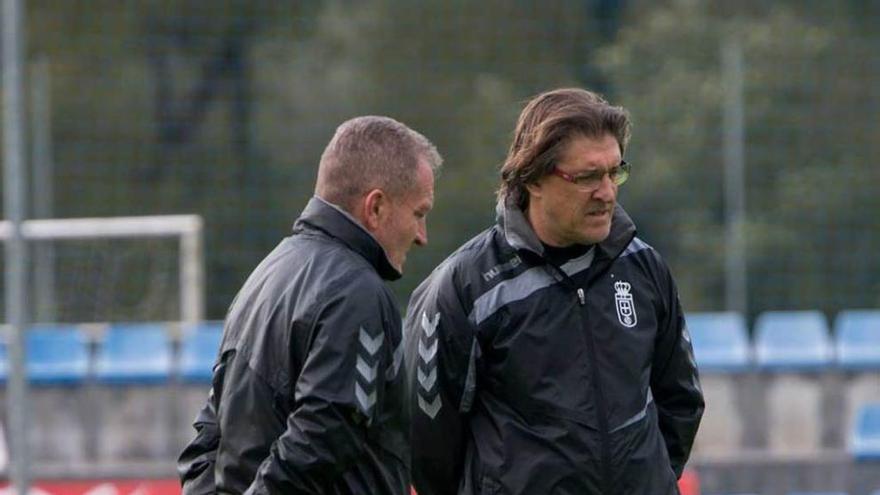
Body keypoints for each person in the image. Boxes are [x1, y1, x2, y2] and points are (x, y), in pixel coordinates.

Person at [405, 88, 703, 495]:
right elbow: (429, 447)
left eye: (615, 172)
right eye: (587, 177)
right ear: (533, 179)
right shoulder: (465, 288)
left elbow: (681, 402)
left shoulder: (644, 268)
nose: (607, 192)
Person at [178, 115, 442, 494]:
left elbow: (207, 433)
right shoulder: (359, 293)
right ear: (377, 207)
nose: (422, 236)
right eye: (419, 213)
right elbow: (323, 438)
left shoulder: (265, 276)